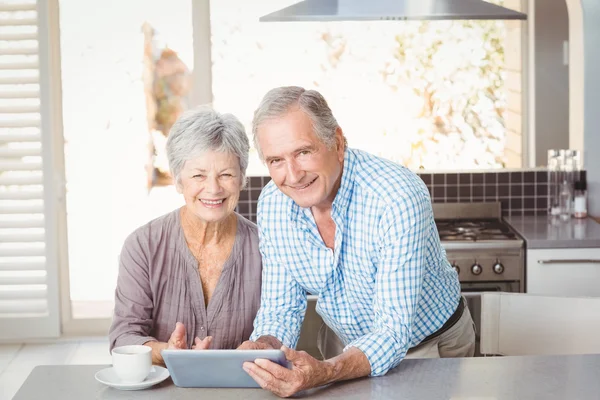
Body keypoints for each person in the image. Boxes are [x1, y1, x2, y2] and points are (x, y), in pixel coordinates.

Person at [239, 86, 475, 397]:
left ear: (337, 142)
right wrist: (265, 346)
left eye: (303, 152)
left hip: (426, 348)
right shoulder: (273, 204)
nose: (293, 175)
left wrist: (327, 371)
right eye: (276, 161)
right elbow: (280, 306)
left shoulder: (396, 196)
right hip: (342, 346)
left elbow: (392, 330)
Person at [109, 107, 262, 365]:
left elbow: (280, 331)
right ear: (179, 180)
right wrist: (166, 352)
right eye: (198, 175)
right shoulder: (143, 246)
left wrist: (262, 344)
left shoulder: (266, 247)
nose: (213, 189)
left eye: (226, 174)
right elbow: (123, 338)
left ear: (241, 179)